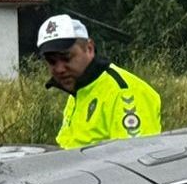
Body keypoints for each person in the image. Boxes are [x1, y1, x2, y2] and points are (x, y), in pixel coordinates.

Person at [37, 14, 161, 149]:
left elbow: (135, 159)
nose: (59, 69)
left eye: (66, 58)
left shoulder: (124, 92)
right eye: (51, 61)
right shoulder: (80, 89)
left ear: (89, 48)